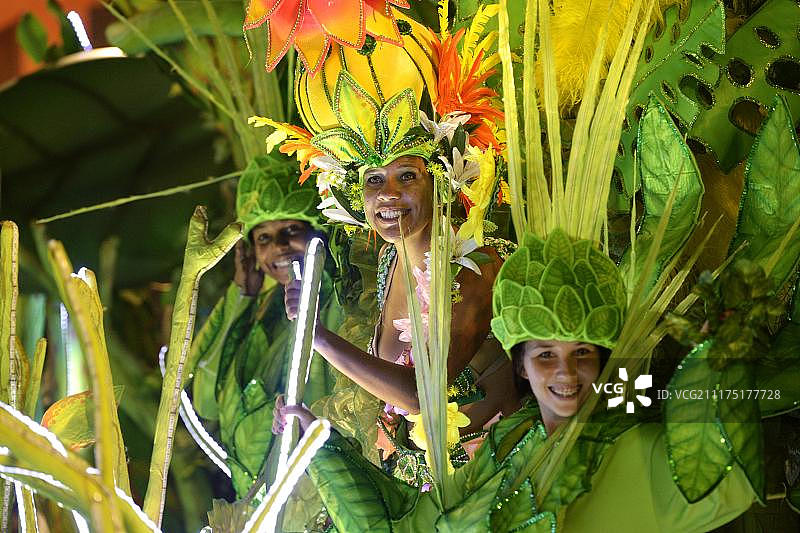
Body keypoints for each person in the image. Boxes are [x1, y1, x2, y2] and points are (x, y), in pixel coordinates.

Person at [186, 154, 342, 498]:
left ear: (320, 232)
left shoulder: (338, 299)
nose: (279, 248)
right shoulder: (261, 310)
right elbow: (205, 402)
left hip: (317, 500)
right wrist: (241, 294)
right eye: (263, 239)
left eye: (292, 231)